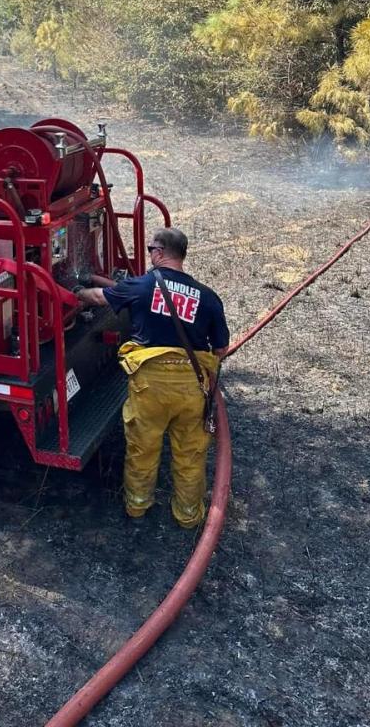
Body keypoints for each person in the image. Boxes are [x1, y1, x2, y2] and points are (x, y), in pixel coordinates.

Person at [78, 226, 228, 528]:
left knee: (142, 449)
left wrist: (76, 292)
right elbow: (221, 348)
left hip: (150, 386)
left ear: (159, 252)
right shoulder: (208, 297)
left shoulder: (141, 286)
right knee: (190, 453)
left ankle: (137, 508)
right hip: (191, 387)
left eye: (150, 250)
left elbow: (98, 297)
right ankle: (188, 517)